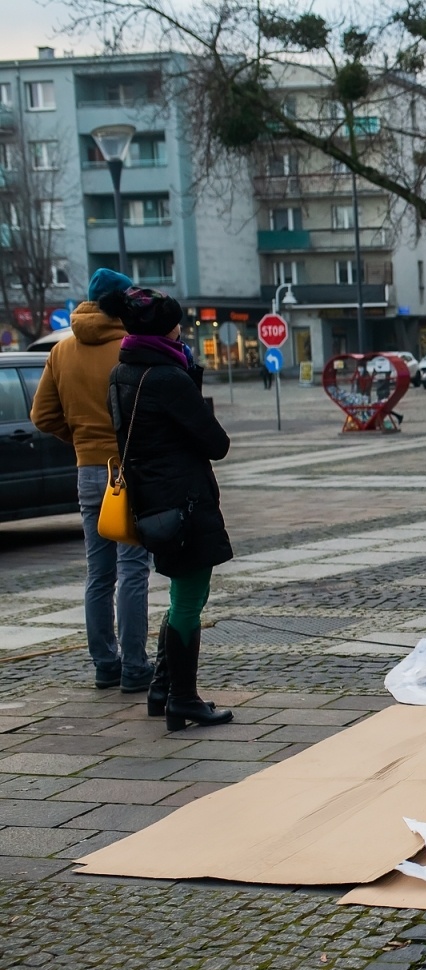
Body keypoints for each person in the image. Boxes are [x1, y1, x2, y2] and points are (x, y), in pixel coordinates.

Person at [103, 286, 235, 732]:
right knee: (188, 601)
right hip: (185, 503)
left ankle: (163, 690)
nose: (182, 329)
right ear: (166, 328)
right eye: (177, 323)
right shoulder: (167, 378)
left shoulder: (123, 372)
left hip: (154, 502)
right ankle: (183, 699)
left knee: (181, 596)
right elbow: (216, 443)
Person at [28, 268, 153, 693]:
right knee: (133, 569)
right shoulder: (131, 348)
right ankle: (136, 666)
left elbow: (42, 416)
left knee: (99, 573)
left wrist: (80, 439)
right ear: (123, 302)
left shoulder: (62, 350)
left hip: (88, 472)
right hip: (128, 469)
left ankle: (105, 663)